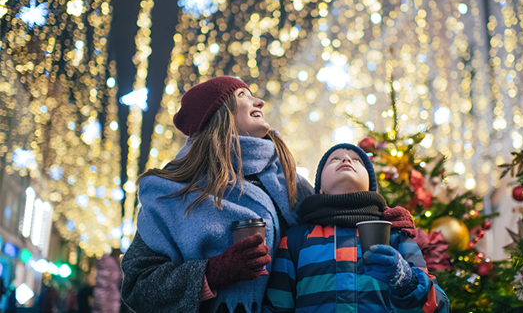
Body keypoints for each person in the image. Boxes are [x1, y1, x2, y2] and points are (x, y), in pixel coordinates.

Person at [120, 77, 415, 313]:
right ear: (217, 114)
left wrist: (384, 218)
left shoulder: (289, 182)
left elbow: (334, 222)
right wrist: (211, 274)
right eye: (243, 97)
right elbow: (138, 286)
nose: (259, 101)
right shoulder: (174, 192)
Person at [263, 143, 450, 313]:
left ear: (370, 187)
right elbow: (277, 306)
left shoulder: (396, 236)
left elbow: (439, 307)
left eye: (358, 161)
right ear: (320, 188)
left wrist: (406, 281)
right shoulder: (295, 239)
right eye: (334, 159)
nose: (346, 159)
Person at [92, 249, 122, 313]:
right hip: (109, 295)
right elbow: (117, 278)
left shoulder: (103, 264)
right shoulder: (112, 266)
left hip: (101, 294)